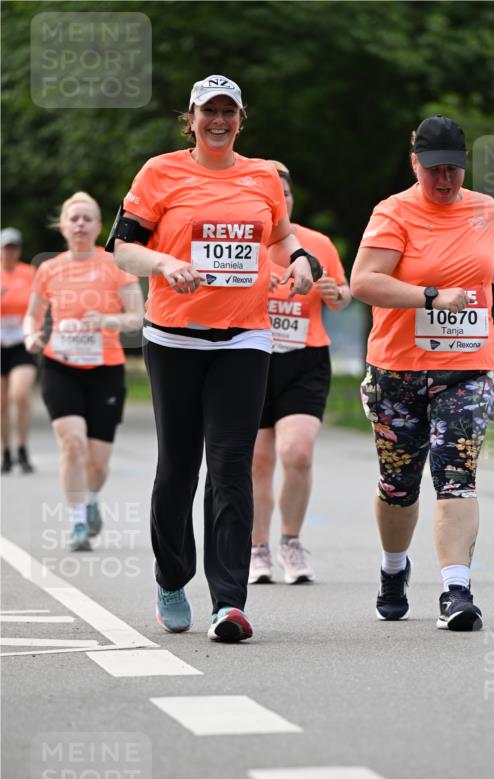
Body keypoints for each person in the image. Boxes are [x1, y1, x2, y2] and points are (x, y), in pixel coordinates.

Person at [107, 75, 319, 643]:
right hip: (175, 337)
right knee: (179, 467)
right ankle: (173, 577)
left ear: (241, 119)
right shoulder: (160, 172)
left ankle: (229, 602)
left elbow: (279, 235)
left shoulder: (261, 177)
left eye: (229, 111)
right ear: (192, 118)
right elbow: (122, 248)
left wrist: (298, 260)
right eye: (209, 112)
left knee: (231, 464)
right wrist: (161, 266)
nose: (218, 120)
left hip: (245, 338)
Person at [350, 115, 494, 631]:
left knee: (456, 477)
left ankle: (456, 591)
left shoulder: (483, 207)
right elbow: (364, 282)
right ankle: (393, 570)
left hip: (466, 367)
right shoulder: (392, 213)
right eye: (435, 170)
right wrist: (430, 296)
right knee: (398, 485)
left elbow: (490, 256)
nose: (445, 181)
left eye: (455, 171)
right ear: (415, 163)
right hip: (398, 369)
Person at [23, 193, 144, 551]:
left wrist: (107, 320)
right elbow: (33, 314)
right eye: (73, 218)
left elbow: (137, 316)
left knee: (98, 461)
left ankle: (90, 499)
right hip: (60, 365)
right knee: (72, 444)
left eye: (87, 218)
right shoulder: (49, 268)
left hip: (105, 369)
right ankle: (77, 521)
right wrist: (32, 335)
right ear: (62, 225)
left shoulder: (115, 265)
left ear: (98, 226)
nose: (79, 224)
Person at [249, 161, 351, 585]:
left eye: (285, 195)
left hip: (305, 359)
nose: (280, 201)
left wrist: (333, 292)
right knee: (257, 459)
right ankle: (257, 549)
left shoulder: (316, 244)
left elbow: (344, 297)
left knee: (297, 453)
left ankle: (290, 542)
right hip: (253, 357)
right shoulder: (246, 242)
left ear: (289, 200)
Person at [1, 228, 37, 474]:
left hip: (22, 343)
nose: (10, 252)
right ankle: (6, 453)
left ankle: (23, 448)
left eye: (14, 247)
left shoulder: (29, 273)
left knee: (20, 395)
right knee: (2, 403)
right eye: (6, 247)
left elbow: (40, 305)